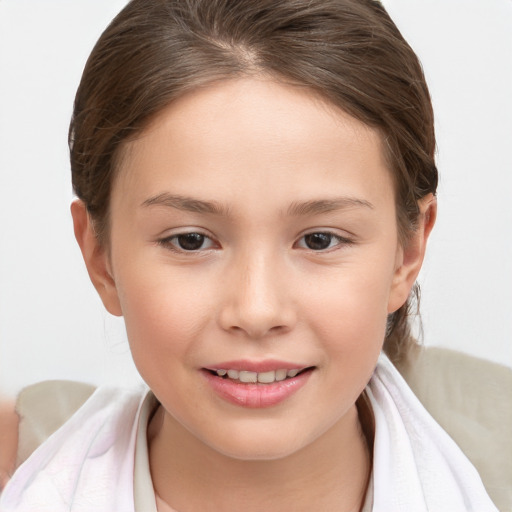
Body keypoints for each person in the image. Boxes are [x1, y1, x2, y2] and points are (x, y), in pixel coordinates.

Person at [0, 0, 503, 510]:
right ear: (100, 257)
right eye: (190, 240)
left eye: (319, 239)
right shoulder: (17, 467)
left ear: (407, 253)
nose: (257, 311)